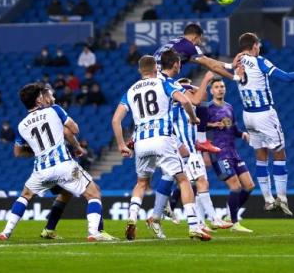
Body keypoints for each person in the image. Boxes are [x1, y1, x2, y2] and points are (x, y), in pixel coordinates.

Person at [0, 82, 116, 242]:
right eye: (40, 95)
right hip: (64, 165)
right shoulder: (54, 110)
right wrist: (76, 144)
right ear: (38, 100)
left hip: (41, 170)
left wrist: (37, 150)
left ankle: (6, 232)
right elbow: (74, 129)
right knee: (94, 194)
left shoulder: (21, 125)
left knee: (25, 196)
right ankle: (94, 232)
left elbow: (17, 152)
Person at [110, 56, 211, 241]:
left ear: (140, 70)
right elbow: (186, 101)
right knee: (183, 180)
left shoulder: (130, 90)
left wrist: (121, 144)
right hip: (162, 138)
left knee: (141, 183)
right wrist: (193, 118)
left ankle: (132, 218)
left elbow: (116, 120)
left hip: (141, 142)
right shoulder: (162, 83)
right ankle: (194, 226)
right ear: (156, 68)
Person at [147, 53, 230, 238]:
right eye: (188, 89)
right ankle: (206, 220)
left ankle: (165, 216)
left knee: (190, 182)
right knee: (197, 182)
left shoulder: (184, 106)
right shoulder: (177, 102)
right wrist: (206, 79)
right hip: (183, 151)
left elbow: (200, 99)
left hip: (188, 150)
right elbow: (197, 98)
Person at [234, 32, 294, 216]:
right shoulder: (259, 61)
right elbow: (285, 77)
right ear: (254, 45)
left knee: (261, 156)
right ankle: (282, 198)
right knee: (279, 154)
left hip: (248, 114)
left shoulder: (237, 63)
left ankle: (268, 200)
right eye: (258, 44)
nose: (259, 47)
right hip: (264, 114)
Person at [153, 23, 243, 152]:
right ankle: (201, 140)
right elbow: (212, 66)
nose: (199, 43)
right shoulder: (189, 46)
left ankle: (200, 139)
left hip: (152, 81)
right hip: (164, 82)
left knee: (202, 95)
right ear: (195, 37)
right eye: (199, 39)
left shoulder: (177, 43)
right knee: (197, 100)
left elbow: (208, 61)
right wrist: (235, 77)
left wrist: (230, 66)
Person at [200, 78, 256, 232]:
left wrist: (243, 134)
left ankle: (229, 215)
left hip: (233, 152)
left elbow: (234, 129)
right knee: (235, 186)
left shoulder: (229, 107)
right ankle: (234, 222)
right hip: (218, 153)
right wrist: (212, 125)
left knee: (249, 186)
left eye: (222, 86)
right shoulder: (207, 108)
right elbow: (199, 127)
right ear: (211, 91)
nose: (220, 89)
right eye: (217, 87)